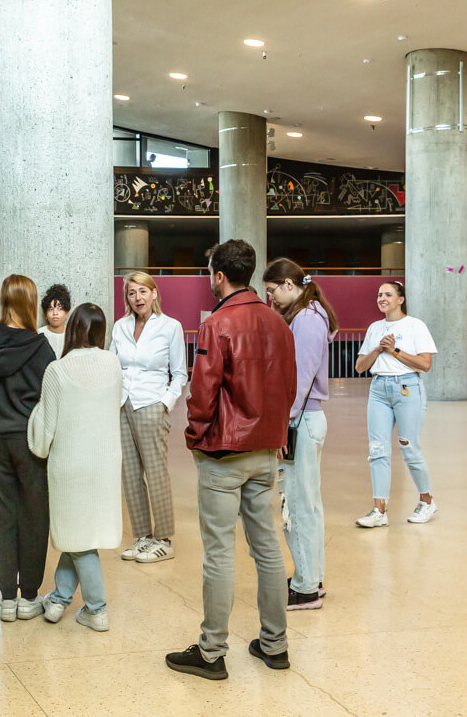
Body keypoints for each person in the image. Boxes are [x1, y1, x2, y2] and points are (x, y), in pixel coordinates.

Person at [166, 240, 296, 680]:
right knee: (268, 548)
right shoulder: (279, 323)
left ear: (219, 276)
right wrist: (275, 433)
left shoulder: (216, 324)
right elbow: (288, 389)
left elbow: (201, 394)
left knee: (219, 553)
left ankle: (210, 652)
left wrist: (194, 435)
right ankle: (275, 646)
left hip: (224, 453)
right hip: (265, 452)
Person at [28, 303, 123, 632]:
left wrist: (34, 418)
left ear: (71, 330)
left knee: (78, 537)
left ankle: (97, 609)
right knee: (81, 534)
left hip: (70, 465)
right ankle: (57, 600)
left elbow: (45, 432)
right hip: (105, 463)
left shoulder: (58, 369)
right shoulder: (113, 364)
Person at [0, 274, 56, 621]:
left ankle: (7, 597)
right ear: (29, 303)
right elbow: (52, 396)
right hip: (30, 440)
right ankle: (29, 596)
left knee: (4, 514)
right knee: (34, 516)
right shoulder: (39, 346)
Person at [262, 260, 337, 611]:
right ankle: (311, 577)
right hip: (306, 420)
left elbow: (301, 379)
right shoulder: (311, 313)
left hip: (300, 421)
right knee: (307, 503)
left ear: (289, 284)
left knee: (296, 505)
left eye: (273, 290)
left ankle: (306, 588)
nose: (271, 297)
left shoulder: (306, 319)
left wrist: (281, 425)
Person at [109, 272, 187, 563]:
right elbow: (111, 363)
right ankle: (142, 536)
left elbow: (180, 373)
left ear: (154, 294)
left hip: (152, 403)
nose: (138, 298)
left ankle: (163, 539)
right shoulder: (120, 326)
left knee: (155, 472)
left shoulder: (170, 327)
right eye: (132, 293)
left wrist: (165, 403)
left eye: (143, 291)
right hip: (123, 404)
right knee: (130, 474)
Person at [354, 281, 438, 527]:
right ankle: (379, 510)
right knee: (377, 450)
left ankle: (427, 500)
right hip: (379, 389)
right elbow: (360, 367)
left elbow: (425, 364)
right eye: (379, 294)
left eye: (388, 294)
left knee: (409, 447)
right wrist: (378, 349)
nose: (382, 298)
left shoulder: (415, 326)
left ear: (400, 299)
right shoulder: (374, 328)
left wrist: (394, 350)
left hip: (407, 388)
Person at [38, 283, 71, 358]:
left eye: (59, 309)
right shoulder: (39, 334)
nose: (55, 313)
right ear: (45, 314)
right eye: (51, 309)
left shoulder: (72, 335)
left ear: (67, 313)